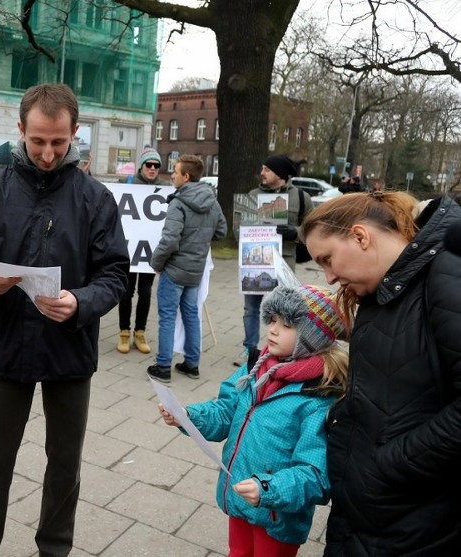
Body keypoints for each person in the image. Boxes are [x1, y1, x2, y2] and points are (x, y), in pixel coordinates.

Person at [0, 83, 129, 556]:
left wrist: (82, 302)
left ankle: (54, 550)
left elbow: (114, 273)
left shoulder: (95, 198)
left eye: (59, 142)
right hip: (5, 346)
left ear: (75, 134)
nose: (48, 153)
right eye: (37, 141)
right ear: (20, 131)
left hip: (69, 351)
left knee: (64, 465)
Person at [302, 191, 461, 555]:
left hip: (415, 520)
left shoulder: (447, 275)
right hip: (373, 514)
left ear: (360, 236)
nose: (327, 278)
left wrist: (392, 462)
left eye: (327, 259)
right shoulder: (387, 288)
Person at [159, 284, 348, 557]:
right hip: (241, 495)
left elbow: (316, 475)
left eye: (286, 324)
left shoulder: (318, 396)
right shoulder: (257, 367)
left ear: (312, 337)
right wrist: (187, 417)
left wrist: (268, 489)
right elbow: (226, 412)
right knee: (238, 551)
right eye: (271, 320)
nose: (272, 329)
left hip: (275, 513)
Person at [147, 154, 226, 382]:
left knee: (168, 317)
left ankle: (163, 366)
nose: (172, 175)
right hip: (195, 270)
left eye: (175, 171)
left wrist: (156, 263)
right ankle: (192, 364)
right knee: (192, 315)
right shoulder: (212, 201)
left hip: (174, 269)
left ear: (186, 176)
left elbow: (170, 239)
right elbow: (220, 232)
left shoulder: (178, 203)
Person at [236, 155, 313, 367]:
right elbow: (238, 229)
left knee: (282, 309)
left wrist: (295, 233)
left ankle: (281, 350)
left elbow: (316, 228)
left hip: (284, 264)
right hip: (254, 262)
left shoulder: (300, 196)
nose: (262, 173)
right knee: (251, 309)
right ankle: (250, 350)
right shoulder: (252, 196)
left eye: (266, 169)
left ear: (279, 174)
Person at [115, 147, 168, 354]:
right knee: (126, 292)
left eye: (156, 165)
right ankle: (124, 332)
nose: (153, 169)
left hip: (150, 253)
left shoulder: (165, 188)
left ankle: (140, 332)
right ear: (142, 166)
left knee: (145, 293)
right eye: (149, 165)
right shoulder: (127, 184)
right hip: (129, 252)